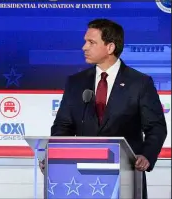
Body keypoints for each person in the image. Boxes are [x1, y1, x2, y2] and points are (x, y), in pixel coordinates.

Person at [41, 19, 167, 199]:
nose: (84, 47)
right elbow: (63, 125)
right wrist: (54, 155)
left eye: (91, 42)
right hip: (80, 178)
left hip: (125, 175)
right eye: (85, 41)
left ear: (110, 47)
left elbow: (156, 127)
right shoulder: (76, 82)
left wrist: (146, 156)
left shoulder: (140, 83)